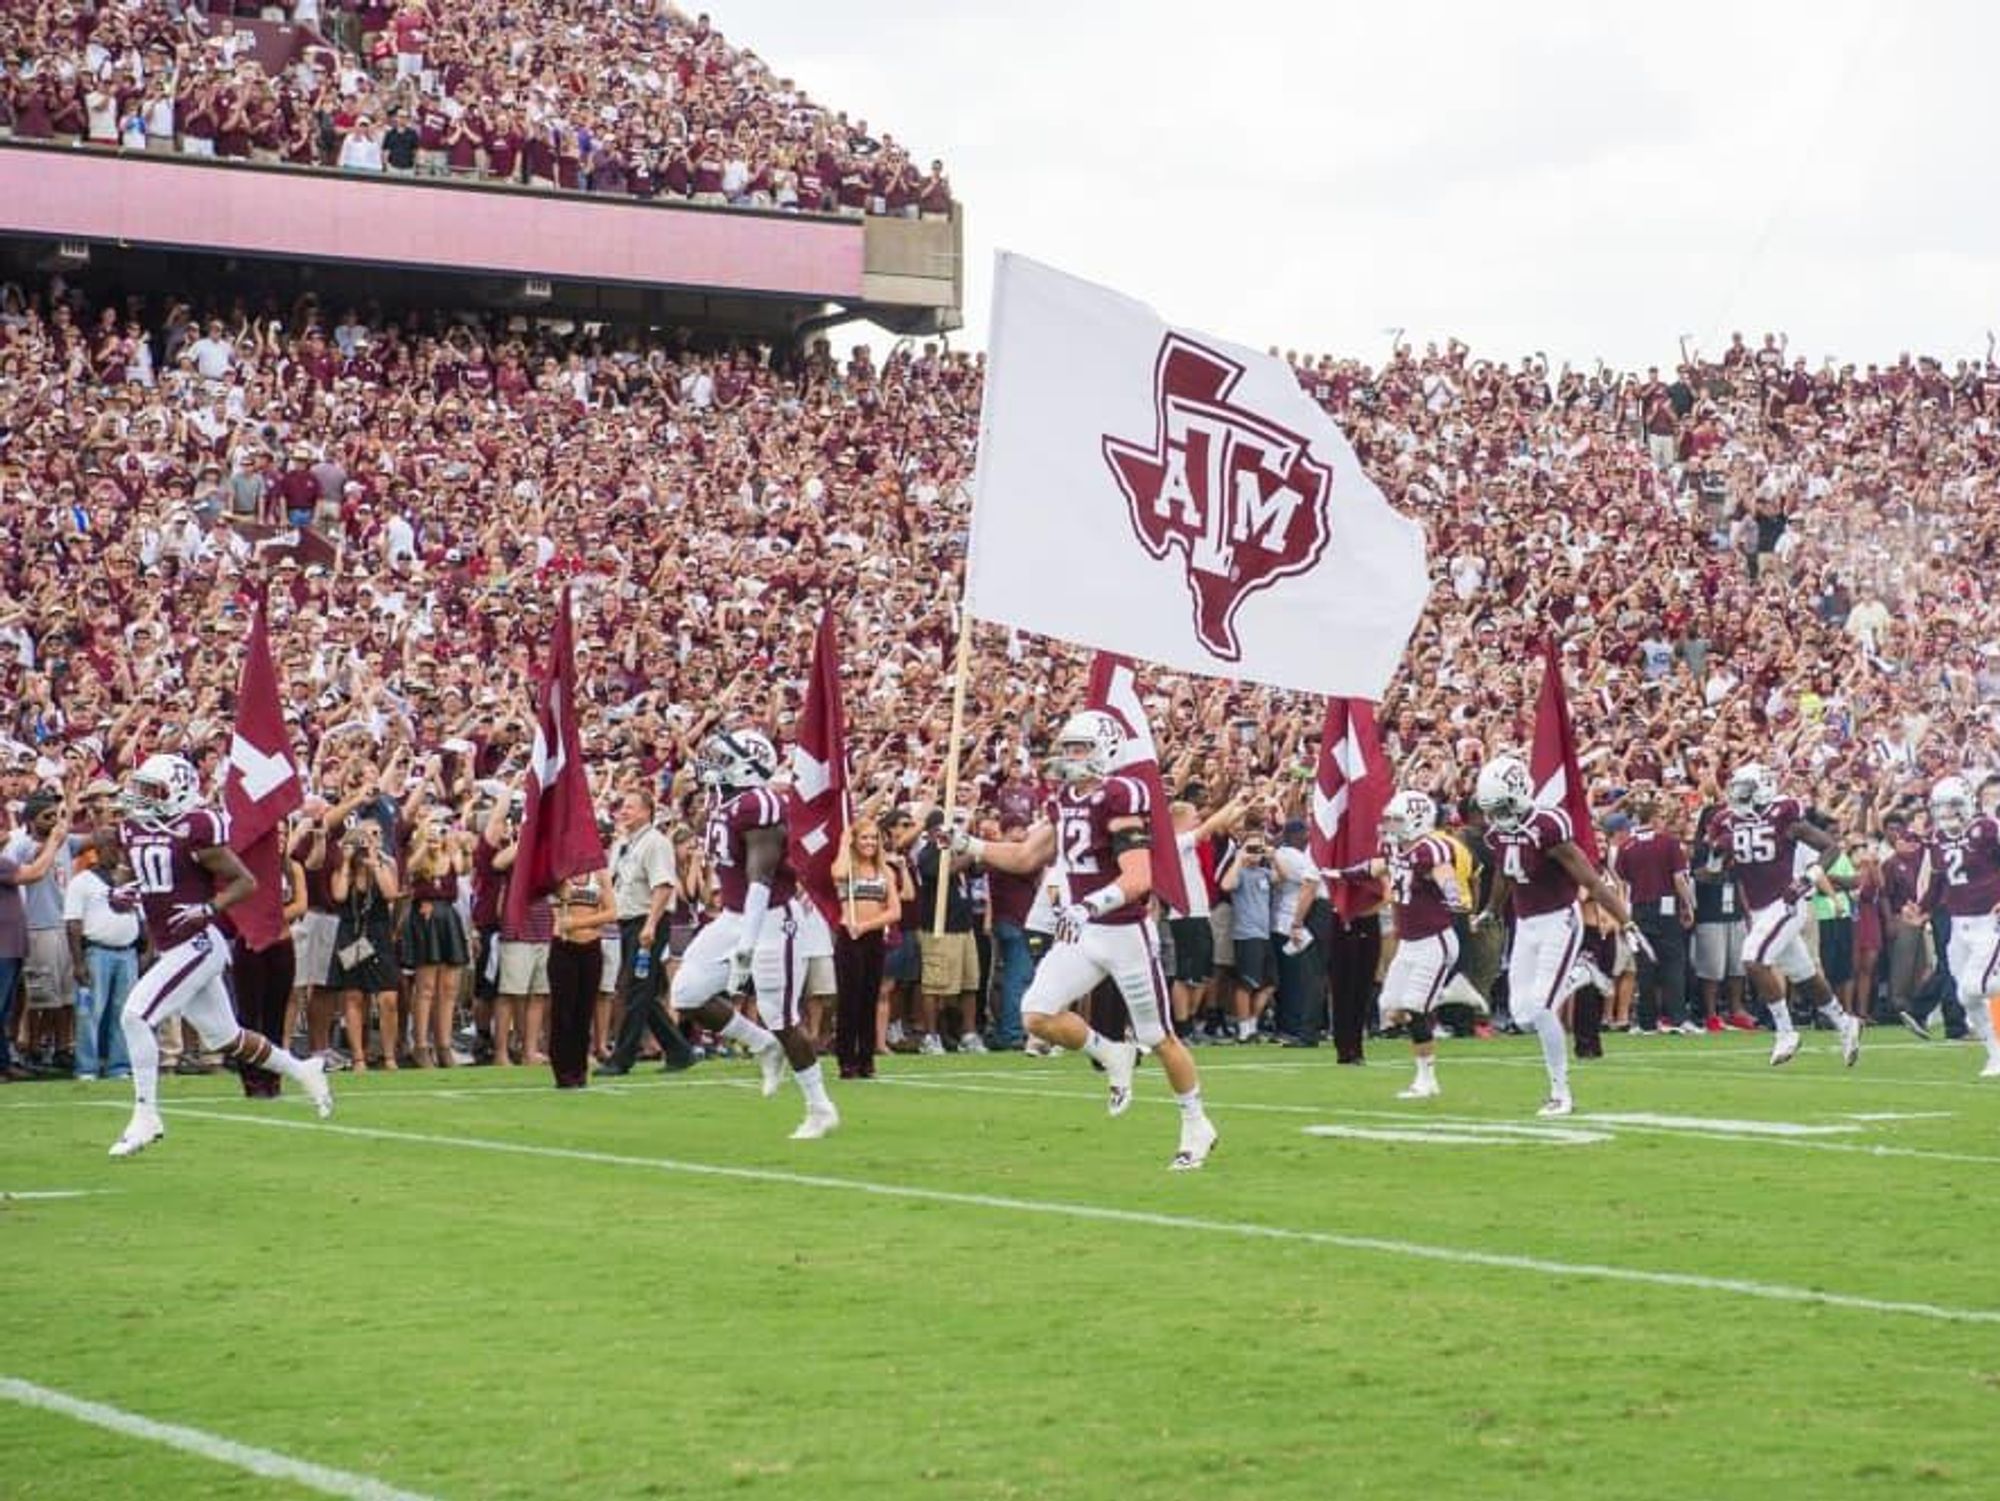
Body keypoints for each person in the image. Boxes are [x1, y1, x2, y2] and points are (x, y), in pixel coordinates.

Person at [957, 711, 1218, 1170]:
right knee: (1036, 1014)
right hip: (1084, 932)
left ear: (1104, 750)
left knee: (1160, 1037)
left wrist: (1086, 906)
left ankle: (1196, 1123)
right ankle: (1111, 1052)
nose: (1071, 756)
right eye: (1069, 747)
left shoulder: (1120, 795)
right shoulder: (1063, 799)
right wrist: (968, 845)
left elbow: (1139, 876)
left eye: (1080, 748)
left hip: (1124, 933)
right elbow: (1023, 857)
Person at [109, 755, 332, 1157]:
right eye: (140, 787)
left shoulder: (195, 827)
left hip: (198, 943)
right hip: (171, 944)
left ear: (176, 791)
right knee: (226, 1037)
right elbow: (133, 876)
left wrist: (209, 908)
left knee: (136, 1015)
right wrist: (123, 892)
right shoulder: (131, 827)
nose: (141, 796)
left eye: (151, 790)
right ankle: (305, 1071)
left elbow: (246, 882)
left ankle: (146, 1115)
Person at [666, 729, 838, 1139]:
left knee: (782, 1018)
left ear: (746, 767)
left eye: (722, 760)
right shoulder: (726, 803)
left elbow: (760, 877)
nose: (711, 767)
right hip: (734, 915)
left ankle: (820, 1107)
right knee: (686, 993)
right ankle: (762, 1045)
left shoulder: (759, 805)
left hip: (774, 920)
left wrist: (748, 942)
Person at [1472, 755, 1646, 1117]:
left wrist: (1625, 921)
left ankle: (1560, 1092)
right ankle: (1583, 974)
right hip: (1525, 923)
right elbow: (1506, 874)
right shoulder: (1501, 831)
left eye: (1501, 806)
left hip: (1559, 922)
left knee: (1541, 1007)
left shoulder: (1548, 827)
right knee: (1521, 1015)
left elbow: (1592, 881)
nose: (1496, 815)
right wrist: (1490, 909)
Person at [1706, 763, 1861, 1067]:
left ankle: (1785, 1031)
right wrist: (1715, 858)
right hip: (1761, 906)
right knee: (1803, 973)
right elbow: (1715, 874)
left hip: (1787, 901)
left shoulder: (1783, 814)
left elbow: (1830, 848)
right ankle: (1845, 1023)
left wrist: (1805, 880)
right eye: (1737, 788)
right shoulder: (1726, 820)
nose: (1738, 795)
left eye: (1745, 789)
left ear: (1763, 788)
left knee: (1753, 958)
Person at [1331, 791, 1463, 1099]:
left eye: (1398, 819)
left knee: (1415, 1007)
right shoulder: (1395, 847)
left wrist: (1451, 891)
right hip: (1410, 943)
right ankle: (1449, 994)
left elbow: (1443, 871)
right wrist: (1341, 875)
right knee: (1389, 1009)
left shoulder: (1431, 847)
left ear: (1418, 819)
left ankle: (1426, 1079)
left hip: (1434, 940)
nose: (1391, 824)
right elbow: (1376, 867)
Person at [596, 790, 698, 1076]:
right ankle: (679, 1050)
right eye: (622, 806)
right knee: (644, 992)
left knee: (635, 989)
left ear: (646, 812)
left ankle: (622, 1057)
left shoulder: (656, 843)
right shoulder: (623, 844)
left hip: (646, 920)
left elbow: (663, 886)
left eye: (630, 807)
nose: (623, 811)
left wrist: (651, 924)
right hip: (627, 921)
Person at [1912, 777, 2000, 1077]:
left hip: (1990, 920)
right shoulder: (1937, 838)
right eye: (1941, 807)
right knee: (1966, 996)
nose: (1946, 813)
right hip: (1958, 923)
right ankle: (1995, 1056)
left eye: (1951, 806)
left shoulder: (1987, 829)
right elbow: (1939, 881)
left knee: (1974, 987)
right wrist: (1922, 909)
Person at [1609, 785, 1697, 1034]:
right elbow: (1679, 879)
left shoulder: (1627, 847)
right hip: (1667, 908)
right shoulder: (1669, 843)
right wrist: (1687, 905)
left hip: (1639, 908)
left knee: (1645, 966)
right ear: (1655, 818)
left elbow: (1622, 880)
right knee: (1673, 963)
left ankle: (1647, 1021)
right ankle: (1677, 1018)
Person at [1, 795, 71, 1079]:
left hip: (12, 944)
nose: (4, 830)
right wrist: (54, 841)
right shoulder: (5, 863)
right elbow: (34, 873)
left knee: (6, 1008)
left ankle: (4, 1062)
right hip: (4, 946)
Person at [232, 843, 308, 1099]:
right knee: (249, 1014)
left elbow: (301, 904)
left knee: (276, 1015)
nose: (279, 839)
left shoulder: (292, 867)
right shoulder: (247, 868)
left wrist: (272, 918)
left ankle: (273, 1078)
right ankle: (251, 1079)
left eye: (284, 833)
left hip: (281, 942)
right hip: (252, 942)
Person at [64, 827, 141, 1082]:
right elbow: (73, 923)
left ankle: (119, 1065)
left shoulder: (130, 879)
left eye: (117, 845)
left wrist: (148, 950)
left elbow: (144, 917)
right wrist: (78, 963)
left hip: (127, 952)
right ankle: (87, 1067)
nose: (115, 850)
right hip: (97, 952)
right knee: (90, 1012)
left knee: (124, 1012)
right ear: (97, 848)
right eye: (109, 845)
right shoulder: (83, 881)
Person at [327, 818, 401, 1071]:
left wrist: (375, 863)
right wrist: (347, 860)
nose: (371, 840)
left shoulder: (385, 863)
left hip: (379, 934)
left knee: (388, 997)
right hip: (352, 934)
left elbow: (391, 894)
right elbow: (338, 895)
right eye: (367, 835)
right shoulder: (343, 869)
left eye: (377, 835)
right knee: (354, 995)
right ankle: (359, 1056)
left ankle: (389, 1055)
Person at [830, 817, 900, 1080]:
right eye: (864, 838)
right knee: (849, 1000)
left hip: (872, 938)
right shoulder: (847, 869)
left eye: (873, 838)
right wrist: (843, 841)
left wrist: (868, 925)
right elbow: (837, 873)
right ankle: (846, 1059)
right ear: (855, 841)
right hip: (849, 938)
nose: (870, 842)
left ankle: (866, 1058)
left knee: (870, 998)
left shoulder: (886, 871)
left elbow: (895, 910)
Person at [401, 807, 469, 1067]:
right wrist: (425, 841)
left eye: (442, 828)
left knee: (449, 987)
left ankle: (444, 1044)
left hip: (447, 917)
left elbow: (461, 869)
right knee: (426, 987)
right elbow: (410, 869)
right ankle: (420, 1044)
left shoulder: (449, 854)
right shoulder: (419, 855)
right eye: (435, 827)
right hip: (426, 919)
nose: (438, 833)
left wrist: (453, 846)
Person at [550, 867, 616, 1089]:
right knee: (563, 1012)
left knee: (584, 1010)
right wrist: (560, 893)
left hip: (591, 947)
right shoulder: (559, 873)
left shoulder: (599, 874)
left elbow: (612, 912)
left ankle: (580, 1068)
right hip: (564, 947)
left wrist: (578, 923)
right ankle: (563, 1070)